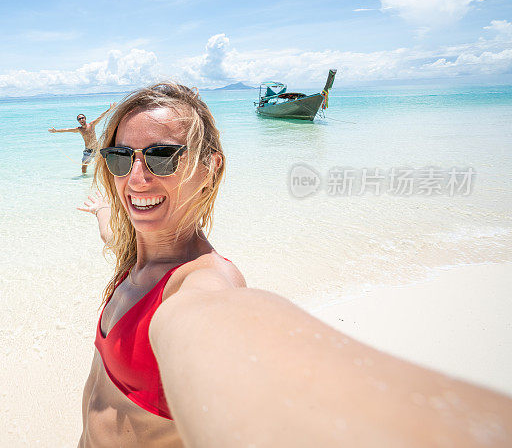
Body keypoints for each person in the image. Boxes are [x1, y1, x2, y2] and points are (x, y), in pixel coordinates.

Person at [77, 82, 512, 447]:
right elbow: (114, 235)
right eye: (119, 157)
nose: (135, 178)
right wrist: (101, 212)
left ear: (210, 167)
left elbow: (236, 343)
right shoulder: (136, 254)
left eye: (162, 156)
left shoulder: (203, 284)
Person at [49, 104, 116, 174]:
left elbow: (101, 117)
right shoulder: (79, 129)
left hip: (96, 149)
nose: (81, 119)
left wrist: (109, 109)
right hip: (87, 151)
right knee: (84, 167)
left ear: (85, 118)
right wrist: (56, 131)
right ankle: (84, 180)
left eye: (82, 118)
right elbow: (67, 129)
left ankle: (109, 175)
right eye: (79, 119)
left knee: (103, 164)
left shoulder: (92, 125)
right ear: (78, 121)